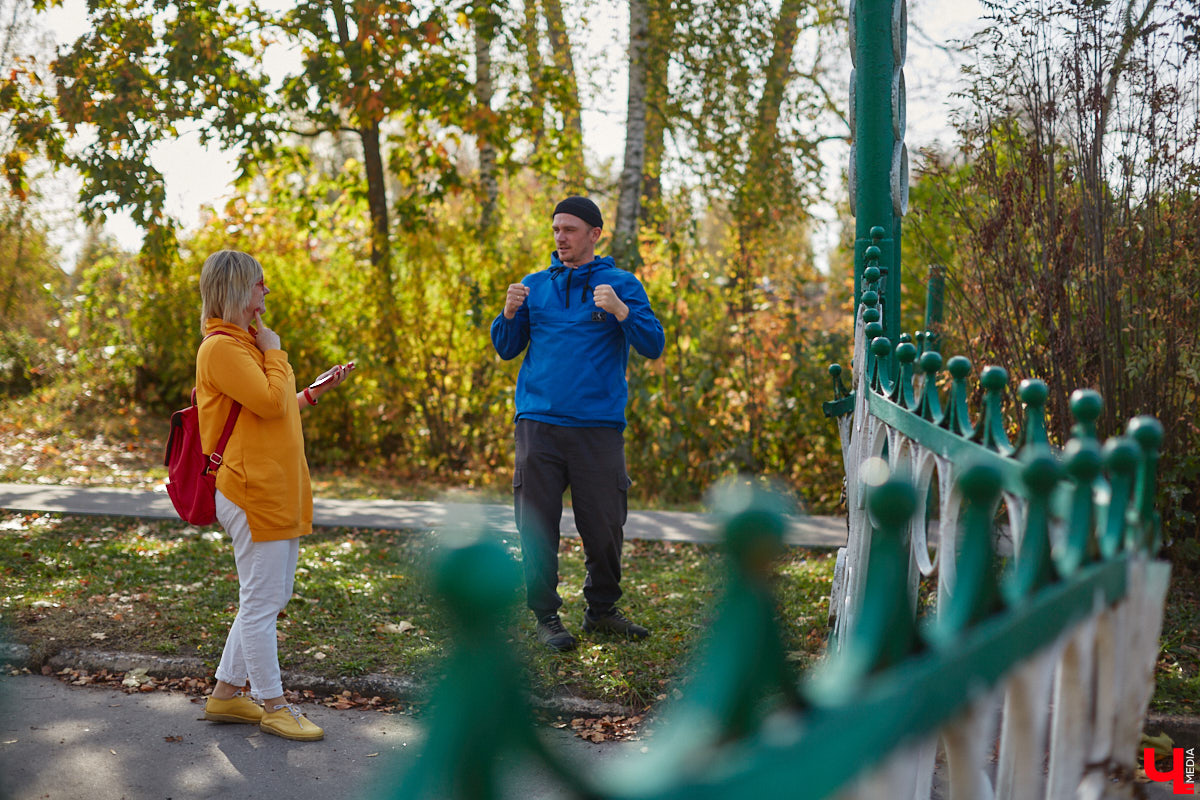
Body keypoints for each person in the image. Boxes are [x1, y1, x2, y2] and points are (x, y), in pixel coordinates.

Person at [490, 196, 665, 652]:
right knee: (536, 525)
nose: (560, 237)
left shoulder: (621, 284)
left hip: (597, 427)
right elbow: (506, 349)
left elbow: (653, 344)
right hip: (538, 424)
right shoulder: (534, 286)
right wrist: (507, 313)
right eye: (556, 229)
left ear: (594, 234)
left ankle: (601, 610)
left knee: (604, 526)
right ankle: (546, 616)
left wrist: (622, 311)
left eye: (569, 229)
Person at [195, 249, 353, 741]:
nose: (266, 290)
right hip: (251, 491)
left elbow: (275, 407)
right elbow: (267, 400)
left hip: (274, 487)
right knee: (262, 602)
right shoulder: (222, 348)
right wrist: (276, 351)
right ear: (235, 288)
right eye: (258, 282)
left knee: (271, 596)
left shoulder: (246, 344)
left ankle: (226, 693)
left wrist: (311, 393)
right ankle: (274, 705)